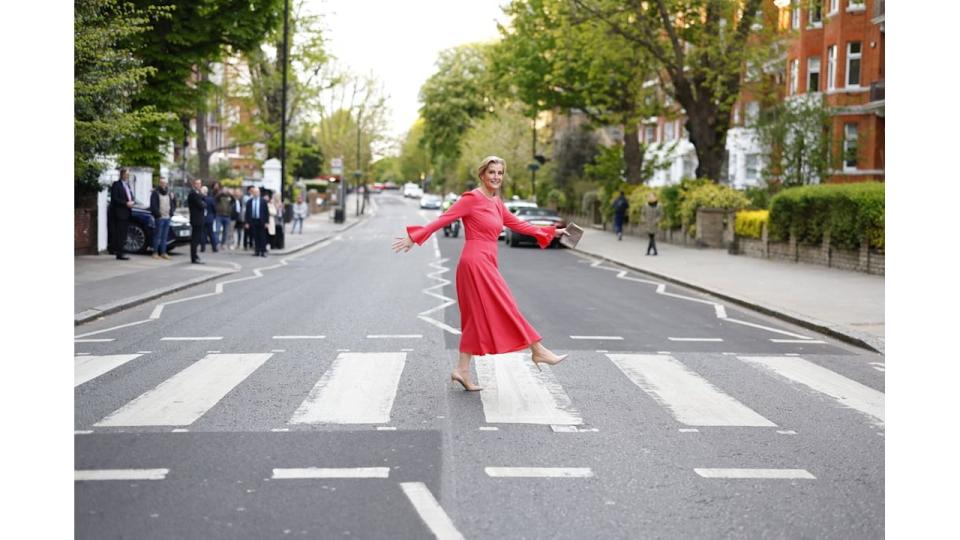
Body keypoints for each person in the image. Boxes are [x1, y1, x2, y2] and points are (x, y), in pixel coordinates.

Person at [392, 156, 570, 391]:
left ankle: (461, 370)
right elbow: (443, 220)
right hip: (475, 262)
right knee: (507, 305)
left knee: (475, 318)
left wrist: (552, 231)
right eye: (491, 172)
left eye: (500, 173)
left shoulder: (496, 201)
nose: (496, 176)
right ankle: (538, 350)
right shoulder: (471, 199)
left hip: (487, 260)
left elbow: (517, 224)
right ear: (482, 175)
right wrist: (414, 237)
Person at [109, 167, 135, 260]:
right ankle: (119, 253)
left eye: (128, 175)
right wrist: (126, 203)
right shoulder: (116, 185)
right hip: (120, 213)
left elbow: (130, 196)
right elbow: (115, 199)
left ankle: (121, 251)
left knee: (124, 234)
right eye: (127, 174)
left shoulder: (127, 185)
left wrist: (132, 201)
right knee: (120, 234)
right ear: (122, 174)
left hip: (127, 213)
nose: (128, 176)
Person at [149, 176, 176, 260]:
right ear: (159, 183)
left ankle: (163, 253)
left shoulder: (169, 193)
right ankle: (155, 253)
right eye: (162, 183)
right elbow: (153, 206)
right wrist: (158, 215)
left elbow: (173, 203)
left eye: (164, 183)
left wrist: (171, 213)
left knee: (164, 237)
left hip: (167, 217)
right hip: (159, 218)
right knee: (158, 236)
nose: (163, 184)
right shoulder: (155, 193)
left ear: (166, 184)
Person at [245, 186, 269, 257]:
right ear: (252, 193)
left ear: (259, 193)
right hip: (253, 220)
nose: (255, 193)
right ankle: (257, 251)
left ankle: (263, 251)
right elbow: (247, 213)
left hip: (261, 221)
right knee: (255, 237)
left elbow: (266, 212)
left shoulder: (263, 201)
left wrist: (266, 222)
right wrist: (247, 222)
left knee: (262, 236)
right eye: (254, 192)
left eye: (257, 192)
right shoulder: (249, 202)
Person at [187, 179, 206, 264]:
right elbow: (202, 205)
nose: (199, 185)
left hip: (199, 219)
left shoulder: (197, 194)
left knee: (197, 239)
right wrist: (203, 202)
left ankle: (195, 255)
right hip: (196, 220)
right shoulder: (193, 194)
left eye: (200, 184)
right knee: (195, 239)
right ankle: (193, 257)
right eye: (197, 184)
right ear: (194, 184)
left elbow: (203, 202)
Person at [214, 182, 234, 249]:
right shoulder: (219, 196)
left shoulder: (229, 197)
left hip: (227, 216)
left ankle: (223, 244)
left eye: (226, 189)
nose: (225, 191)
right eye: (224, 189)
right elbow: (216, 198)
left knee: (225, 232)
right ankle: (217, 243)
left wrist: (230, 194)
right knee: (217, 230)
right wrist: (221, 192)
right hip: (219, 215)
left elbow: (233, 200)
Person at [641, 191, 662, 256]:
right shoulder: (645, 205)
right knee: (651, 237)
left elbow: (661, 214)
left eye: (652, 196)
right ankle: (652, 251)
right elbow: (643, 213)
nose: (651, 198)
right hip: (648, 224)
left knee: (651, 237)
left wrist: (657, 220)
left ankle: (650, 251)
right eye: (649, 196)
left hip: (654, 224)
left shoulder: (659, 205)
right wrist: (643, 220)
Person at [200, 185, 219, 252]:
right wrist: (213, 216)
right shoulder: (211, 199)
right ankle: (214, 247)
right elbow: (214, 209)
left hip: (203, 218)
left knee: (203, 233)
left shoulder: (200, 198)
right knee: (211, 233)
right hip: (210, 218)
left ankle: (203, 248)